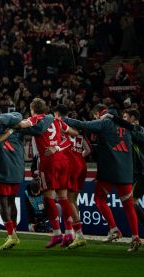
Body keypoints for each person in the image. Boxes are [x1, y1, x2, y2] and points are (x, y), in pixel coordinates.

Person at [0, 107, 51, 250]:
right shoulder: (18, 126)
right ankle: (13, 233)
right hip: (17, 169)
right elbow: (38, 128)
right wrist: (50, 117)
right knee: (11, 201)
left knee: (0, 201)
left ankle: (11, 235)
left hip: (1, 169)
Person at [63, 106, 142, 251]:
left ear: (101, 114)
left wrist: (64, 119)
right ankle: (136, 237)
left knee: (99, 199)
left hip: (109, 172)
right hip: (125, 173)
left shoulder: (105, 122)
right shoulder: (128, 127)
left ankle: (113, 229)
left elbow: (83, 125)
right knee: (129, 206)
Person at [21, 98, 74, 248]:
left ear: (33, 110)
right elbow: (70, 137)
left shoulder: (35, 119)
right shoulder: (56, 121)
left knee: (48, 198)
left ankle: (57, 233)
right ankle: (69, 232)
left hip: (47, 160)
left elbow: (23, 125)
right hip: (62, 160)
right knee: (63, 198)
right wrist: (57, 147)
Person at [108, 108, 144, 249]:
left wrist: (115, 119)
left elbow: (138, 137)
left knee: (130, 202)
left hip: (142, 172)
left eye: (125, 117)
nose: (124, 119)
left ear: (133, 118)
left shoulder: (135, 132)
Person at [54, 103, 90, 248]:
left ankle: (78, 235)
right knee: (73, 200)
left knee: (67, 200)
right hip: (81, 164)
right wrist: (78, 157)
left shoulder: (60, 126)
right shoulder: (77, 129)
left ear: (57, 114)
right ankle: (75, 233)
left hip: (70, 165)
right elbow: (88, 150)